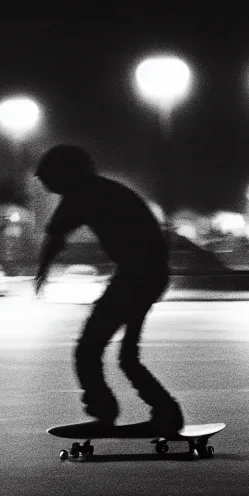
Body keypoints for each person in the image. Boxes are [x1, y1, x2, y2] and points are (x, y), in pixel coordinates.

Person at [34, 144, 184, 434]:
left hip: (137, 275)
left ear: (64, 174)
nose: (46, 187)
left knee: (88, 349)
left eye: (48, 181)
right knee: (127, 356)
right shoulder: (102, 189)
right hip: (150, 273)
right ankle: (165, 411)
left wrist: (42, 270)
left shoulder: (82, 194)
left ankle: (105, 412)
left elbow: (55, 236)